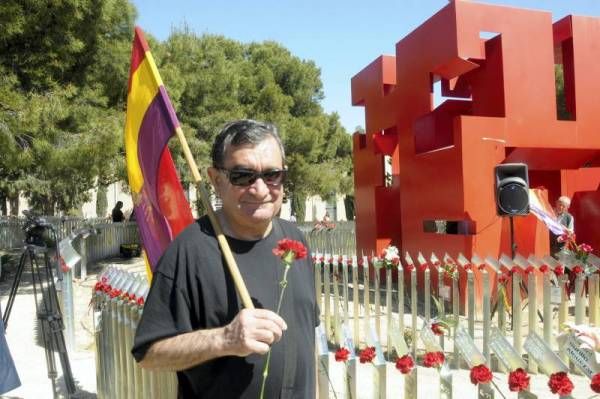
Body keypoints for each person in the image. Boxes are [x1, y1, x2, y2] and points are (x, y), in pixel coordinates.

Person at [132, 120, 318, 398]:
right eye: (242, 176)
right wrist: (224, 339)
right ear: (216, 179)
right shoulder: (187, 252)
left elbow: (307, 338)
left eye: (272, 175)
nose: (260, 188)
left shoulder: (295, 242)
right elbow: (149, 354)